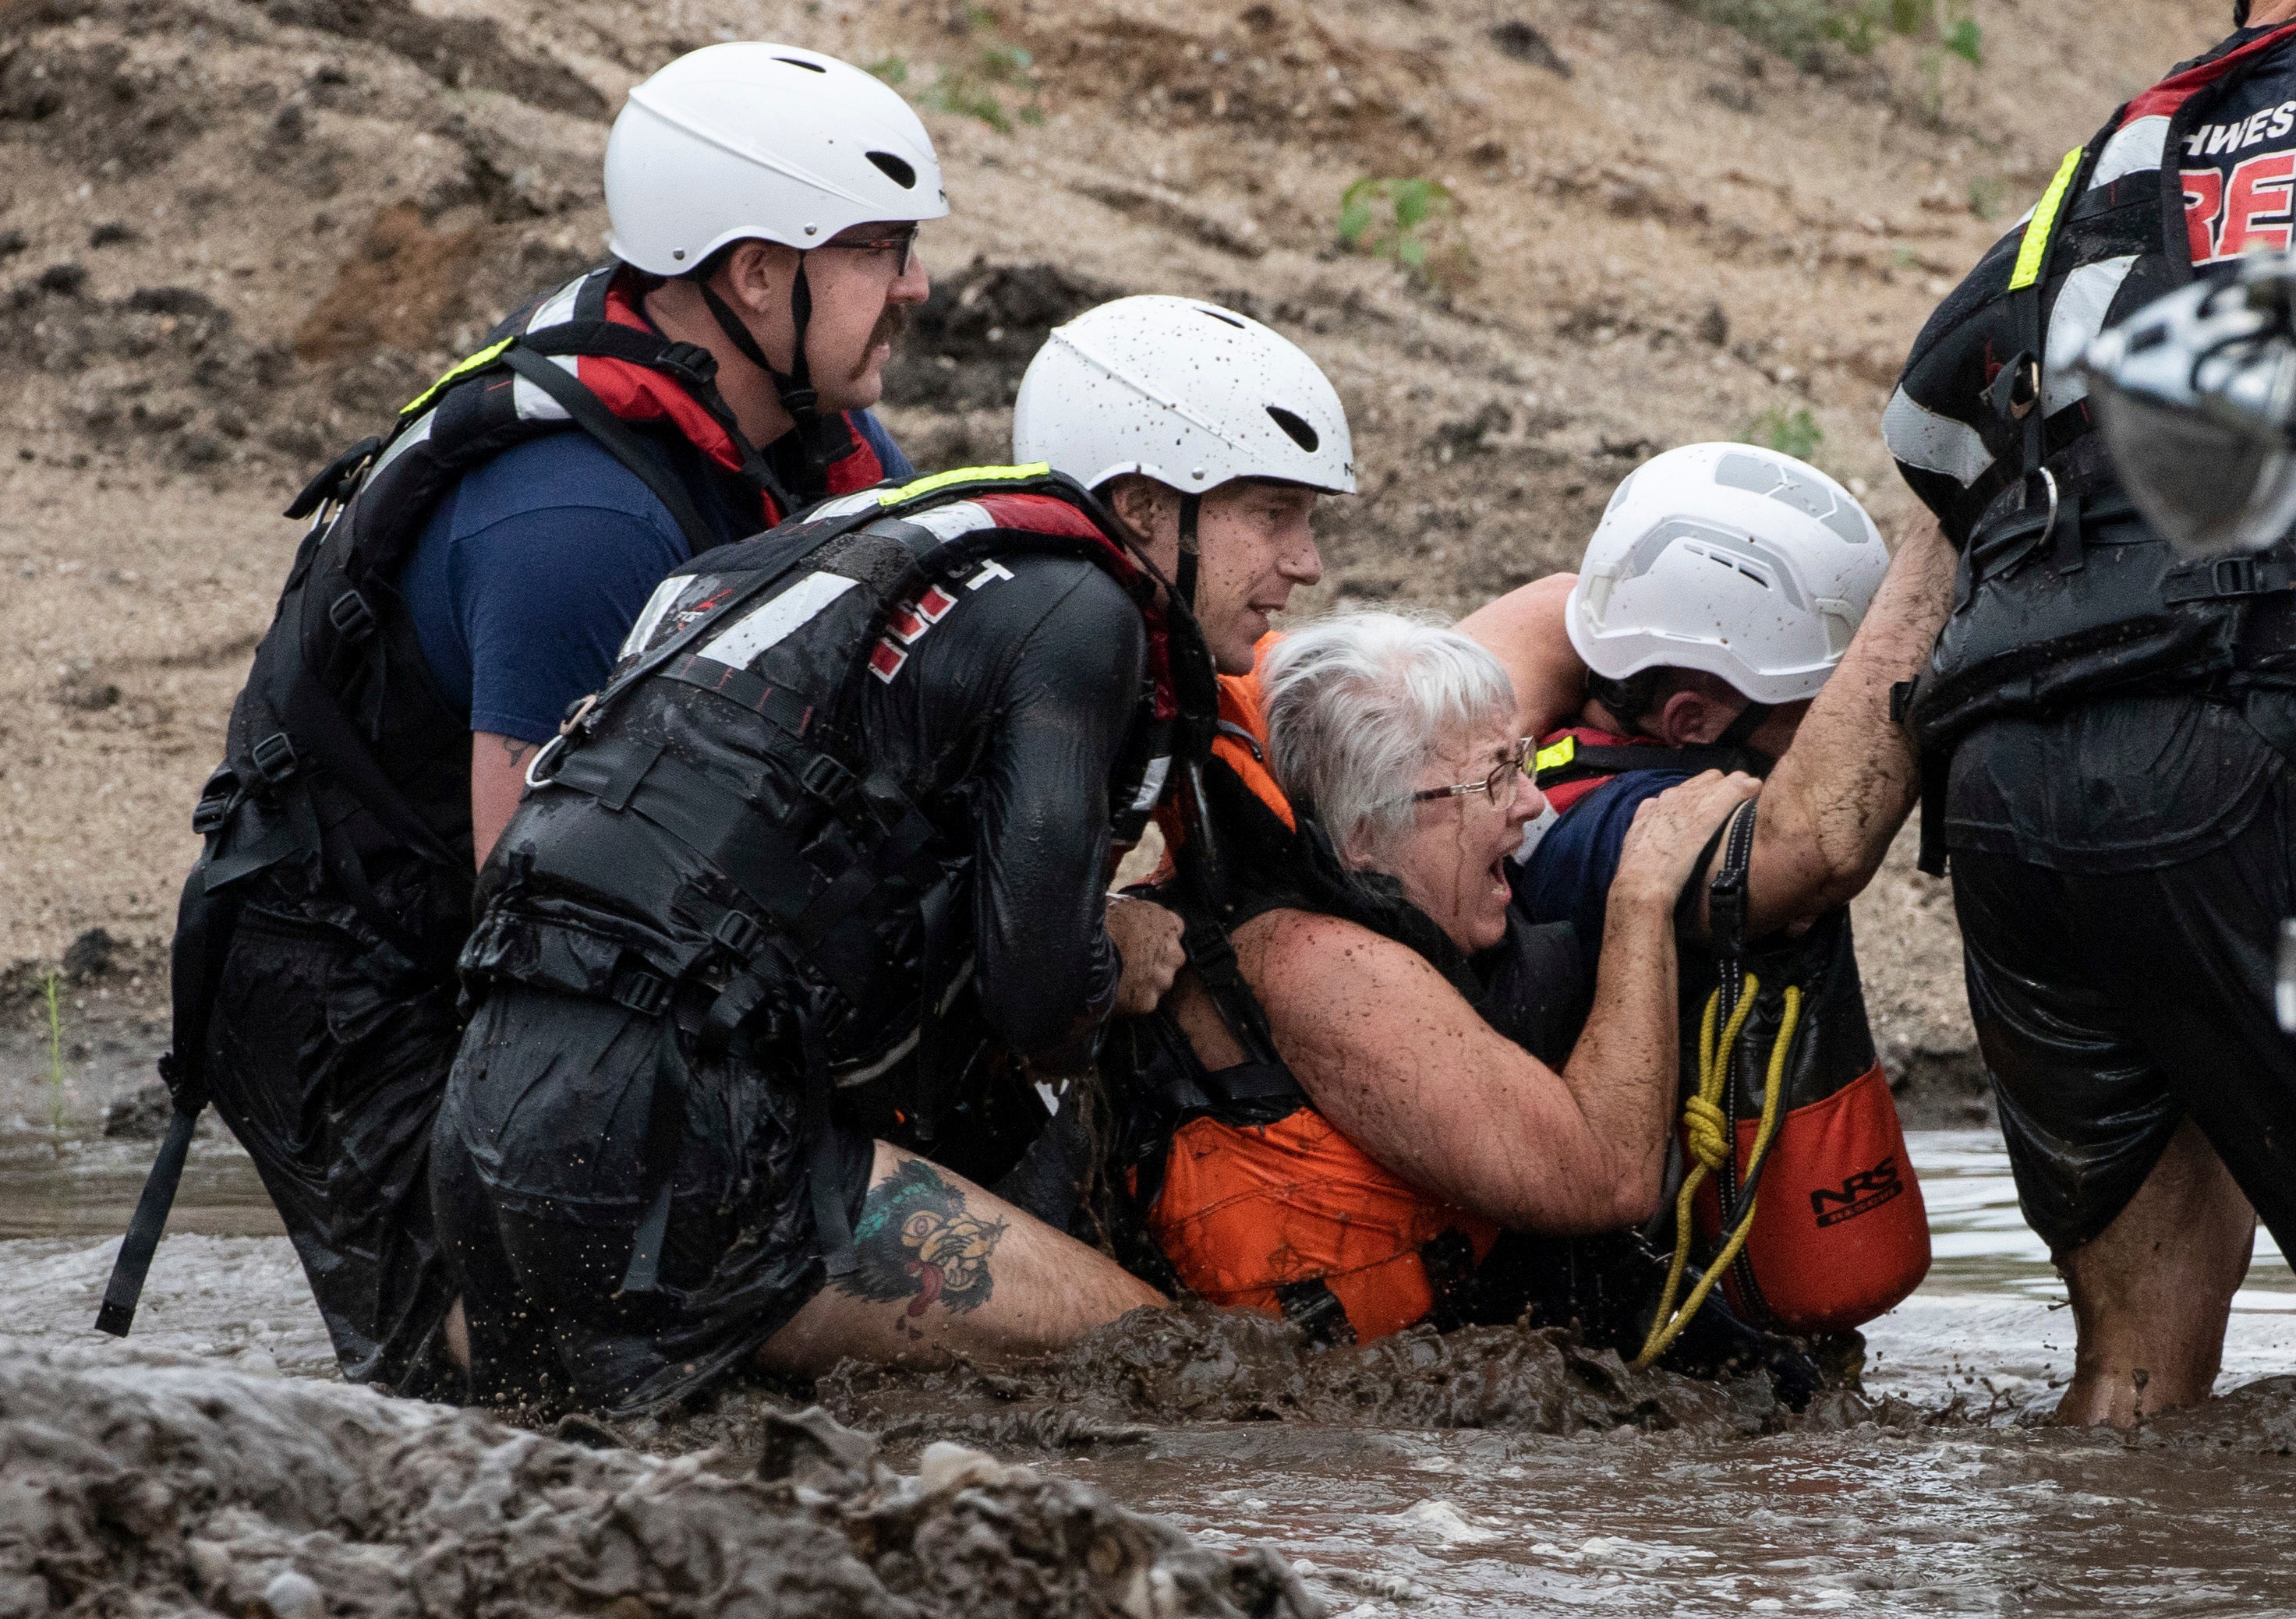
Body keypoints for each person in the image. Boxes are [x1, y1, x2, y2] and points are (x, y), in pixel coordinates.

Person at [98, 42, 942, 1395]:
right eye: (879, 249)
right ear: (753, 275)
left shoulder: (815, 440)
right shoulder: (576, 520)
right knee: (544, 1362)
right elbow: (534, 939)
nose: (914, 286)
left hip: (554, 928)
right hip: (359, 990)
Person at [426, 296, 1358, 1416]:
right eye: (1274, 513)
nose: (1304, 562)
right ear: (1144, 506)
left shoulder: (851, 551)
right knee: (1185, 1371)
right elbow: (1040, 1000)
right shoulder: (1082, 611)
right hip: (675, 1144)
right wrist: (1115, 949)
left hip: (484, 1119)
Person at [1889, 0, 2296, 1425]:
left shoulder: (2117, 150)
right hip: (2269, 736)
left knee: (2129, 1388)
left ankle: (2101, 1609)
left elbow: (1929, 434)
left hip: (2004, 771)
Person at [1087, 611, 1803, 1380]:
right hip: (1334, 1426)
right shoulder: (1323, 965)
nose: (1530, 803)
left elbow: (1557, 605)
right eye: (1495, 778)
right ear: (1363, 831)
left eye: (1519, 762)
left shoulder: (1359, 871)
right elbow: (1611, 1176)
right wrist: (1644, 892)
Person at [1463, 444, 1949, 1339]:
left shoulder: (1556, 752)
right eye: (1816, 704)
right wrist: (1955, 515)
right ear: (1691, 720)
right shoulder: (1619, 828)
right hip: (1638, 1320)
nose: (1833, 728)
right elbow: (1820, 844)